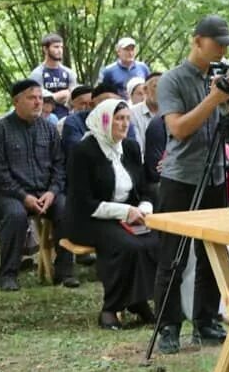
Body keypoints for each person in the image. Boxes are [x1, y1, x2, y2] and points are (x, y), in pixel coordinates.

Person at [152, 15, 229, 355]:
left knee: (213, 254)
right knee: (173, 256)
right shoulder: (172, 80)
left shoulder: (219, 79)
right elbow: (178, 129)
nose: (223, 50)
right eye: (218, 43)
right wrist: (213, 100)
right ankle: (167, 326)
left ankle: (205, 322)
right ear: (197, 41)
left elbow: (225, 127)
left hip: (216, 174)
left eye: (227, 45)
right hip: (181, 177)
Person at [66, 99, 159, 329]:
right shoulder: (83, 151)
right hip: (89, 218)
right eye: (118, 119)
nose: (124, 124)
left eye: (127, 118)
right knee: (127, 246)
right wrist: (126, 211)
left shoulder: (130, 147)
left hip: (126, 215)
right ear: (104, 120)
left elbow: (146, 186)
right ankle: (110, 308)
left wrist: (145, 208)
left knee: (155, 241)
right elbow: (83, 202)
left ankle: (139, 301)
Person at [0, 79, 77, 290]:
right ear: (16, 101)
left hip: (45, 192)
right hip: (10, 194)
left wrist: (52, 191)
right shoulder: (0, 130)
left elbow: (59, 165)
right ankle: (8, 274)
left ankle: (65, 272)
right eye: (32, 98)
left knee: (65, 207)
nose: (38, 102)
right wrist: (24, 197)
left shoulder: (49, 129)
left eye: (40, 98)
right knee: (15, 215)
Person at [61, 83, 127, 163]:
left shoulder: (125, 121)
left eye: (115, 105)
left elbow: (128, 152)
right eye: (106, 103)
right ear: (92, 105)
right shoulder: (74, 122)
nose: (111, 108)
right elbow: (78, 156)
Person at [29, 33, 77, 119]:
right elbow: (38, 99)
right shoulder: (37, 74)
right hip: (45, 118)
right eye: (56, 47)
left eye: (61, 47)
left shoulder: (69, 73)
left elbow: (73, 98)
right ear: (45, 49)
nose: (60, 50)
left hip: (67, 117)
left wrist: (51, 97)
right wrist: (60, 95)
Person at [129, 72, 162, 150]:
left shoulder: (173, 112)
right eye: (156, 86)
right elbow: (137, 147)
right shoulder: (132, 113)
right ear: (145, 89)